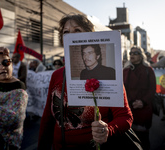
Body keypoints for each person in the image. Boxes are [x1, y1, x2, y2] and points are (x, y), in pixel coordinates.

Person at [38, 14, 133, 150]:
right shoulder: (57, 75)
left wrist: (107, 130)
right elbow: (48, 118)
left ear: (90, 36)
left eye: (77, 30)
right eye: (66, 32)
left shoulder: (110, 73)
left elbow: (125, 116)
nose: (71, 35)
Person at [0, 47, 28, 149]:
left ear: (11, 65)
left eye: (5, 62)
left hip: (5, 144)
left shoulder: (18, 86)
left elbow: (13, 118)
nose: (2, 67)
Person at [123, 46, 156, 150]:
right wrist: (129, 102)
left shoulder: (148, 70)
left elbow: (152, 89)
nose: (132, 55)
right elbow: (123, 88)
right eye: (131, 53)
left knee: (143, 139)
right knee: (130, 139)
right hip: (129, 108)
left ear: (141, 56)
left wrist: (143, 102)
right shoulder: (126, 70)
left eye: (135, 53)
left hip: (144, 109)